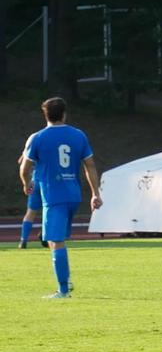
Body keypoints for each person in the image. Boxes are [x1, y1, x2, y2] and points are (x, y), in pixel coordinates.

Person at [19, 97, 103, 298]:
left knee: (55, 240)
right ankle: (65, 278)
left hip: (53, 196)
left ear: (45, 115)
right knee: (53, 238)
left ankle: (63, 290)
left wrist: (26, 183)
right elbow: (90, 166)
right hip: (73, 195)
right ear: (64, 114)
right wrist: (95, 193)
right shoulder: (78, 135)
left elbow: (24, 168)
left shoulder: (38, 137)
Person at [16, 132, 47, 249]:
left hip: (35, 181)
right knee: (50, 210)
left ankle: (23, 240)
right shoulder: (47, 142)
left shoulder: (32, 142)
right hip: (48, 182)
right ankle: (45, 235)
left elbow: (21, 161)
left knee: (30, 212)